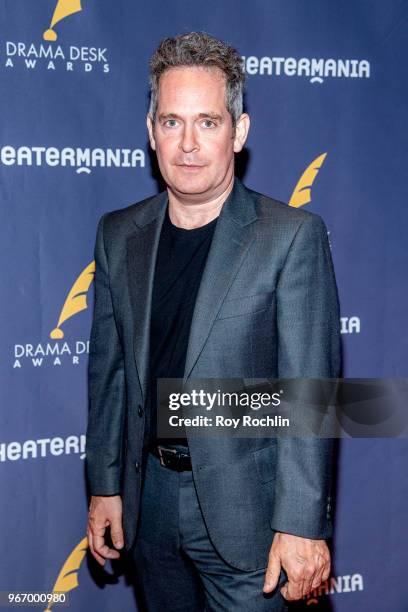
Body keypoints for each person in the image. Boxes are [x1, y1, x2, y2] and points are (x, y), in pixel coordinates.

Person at [85, 32, 341, 611]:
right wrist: (105, 483)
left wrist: (301, 525)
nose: (190, 145)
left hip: (249, 515)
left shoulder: (290, 236)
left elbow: (310, 394)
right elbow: (111, 372)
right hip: (147, 503)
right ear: (151, 134)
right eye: (173, 123)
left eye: (208, 122)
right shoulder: (117, 234)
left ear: (239, 131)